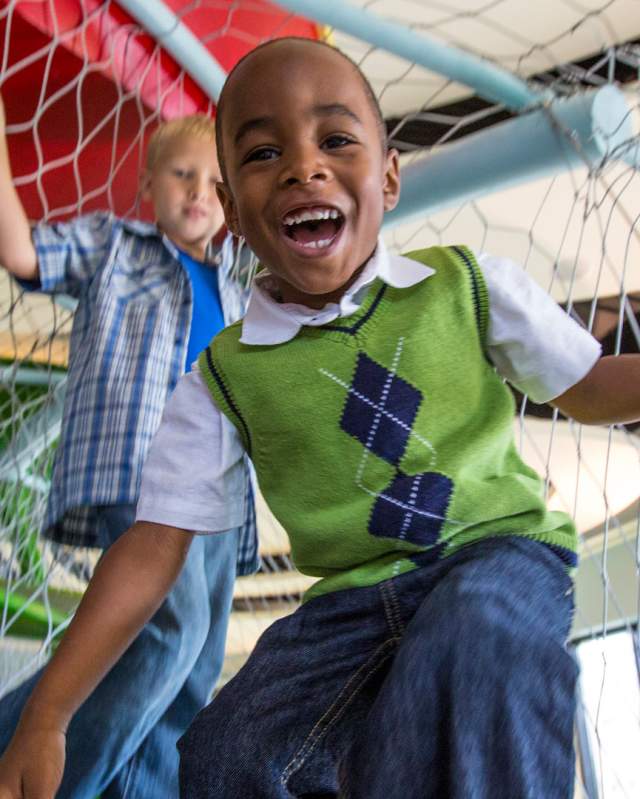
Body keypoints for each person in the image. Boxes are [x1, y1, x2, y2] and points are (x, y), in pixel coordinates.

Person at [2, 36, 640, 799]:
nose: (304, 166)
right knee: (220, 752)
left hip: (491, 555)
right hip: (348, 604)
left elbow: (591, 385)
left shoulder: (466, 286)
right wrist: (48, 714)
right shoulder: (223, 377)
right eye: (264, 152)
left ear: (392, 176)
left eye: (336, 140)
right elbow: (151, 546)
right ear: (234, 213)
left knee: (474, 642)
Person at [0, 99, 256, 799]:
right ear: (147, 186)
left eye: (215, 182)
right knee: (165, 628)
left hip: (219, 494)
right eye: (181, 174)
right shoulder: (115, 247)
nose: (199, 192)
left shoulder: (239, 282)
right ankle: (40, 777)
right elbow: (22, 251)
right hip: (136, 466)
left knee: (195, 665)